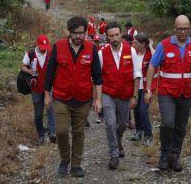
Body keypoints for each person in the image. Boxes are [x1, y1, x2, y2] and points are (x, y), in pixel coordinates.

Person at [145, 15, 191, 172]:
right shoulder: (164, 45)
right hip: (167, 93)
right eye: (180, 28)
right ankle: (164, 154)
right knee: (168, 123)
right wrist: (148, 89)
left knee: (181, 127)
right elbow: (152, 66)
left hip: (186, 93)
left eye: (186, 28)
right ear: (175, 28)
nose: (183, 32)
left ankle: (174, 156)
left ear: (189, 28)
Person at [44, 16, 102, 178]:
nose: (78, 36)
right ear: (69, 33)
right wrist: (47, 95)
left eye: (81, 33)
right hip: (61, 97)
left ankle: (76, 165)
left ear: (85, 32)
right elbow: (49, 73)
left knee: (78, 132)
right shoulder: (59, 46)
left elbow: (97, 76)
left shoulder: (91, 49)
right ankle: (64, 159)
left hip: (83, 99)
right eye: (75, 33)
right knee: (61, 131)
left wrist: (98, 99)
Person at [99, 21, 142, 170]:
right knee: (110, 123)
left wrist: (135, 96)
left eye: (117, 35)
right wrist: (97, 99)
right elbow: (97, 79)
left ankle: (118, 141)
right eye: (111, 36)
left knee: (123, 124)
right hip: (108, 94)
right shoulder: (101, 53)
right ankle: (114, 154)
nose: (114, 38)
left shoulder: (131, 51)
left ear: (121, 34)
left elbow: (137, 75)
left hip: (125, 94)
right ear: (107, 37)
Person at [20, 35, 55, 144]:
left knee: (51, 109)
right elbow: (22, 66)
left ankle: (52, 133)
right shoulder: (30, 53)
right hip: (36, 88)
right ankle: (41, 134)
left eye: (45, 47)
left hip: (49, 87)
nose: (44, 49)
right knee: (38, 113)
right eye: (42, 47)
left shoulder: (51, 52)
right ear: (37, 45)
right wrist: (29, 71)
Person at [131, 33, 155, 145]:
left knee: (143, 110)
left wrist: (150, 46)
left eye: (136, 42)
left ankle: (148, 135)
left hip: (146, 87)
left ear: (143, 44)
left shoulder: (150, 54)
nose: (133, 44)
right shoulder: (133, 53)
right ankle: (138, 131)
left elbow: (157, 59)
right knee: (136, 110)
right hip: (136, 87)